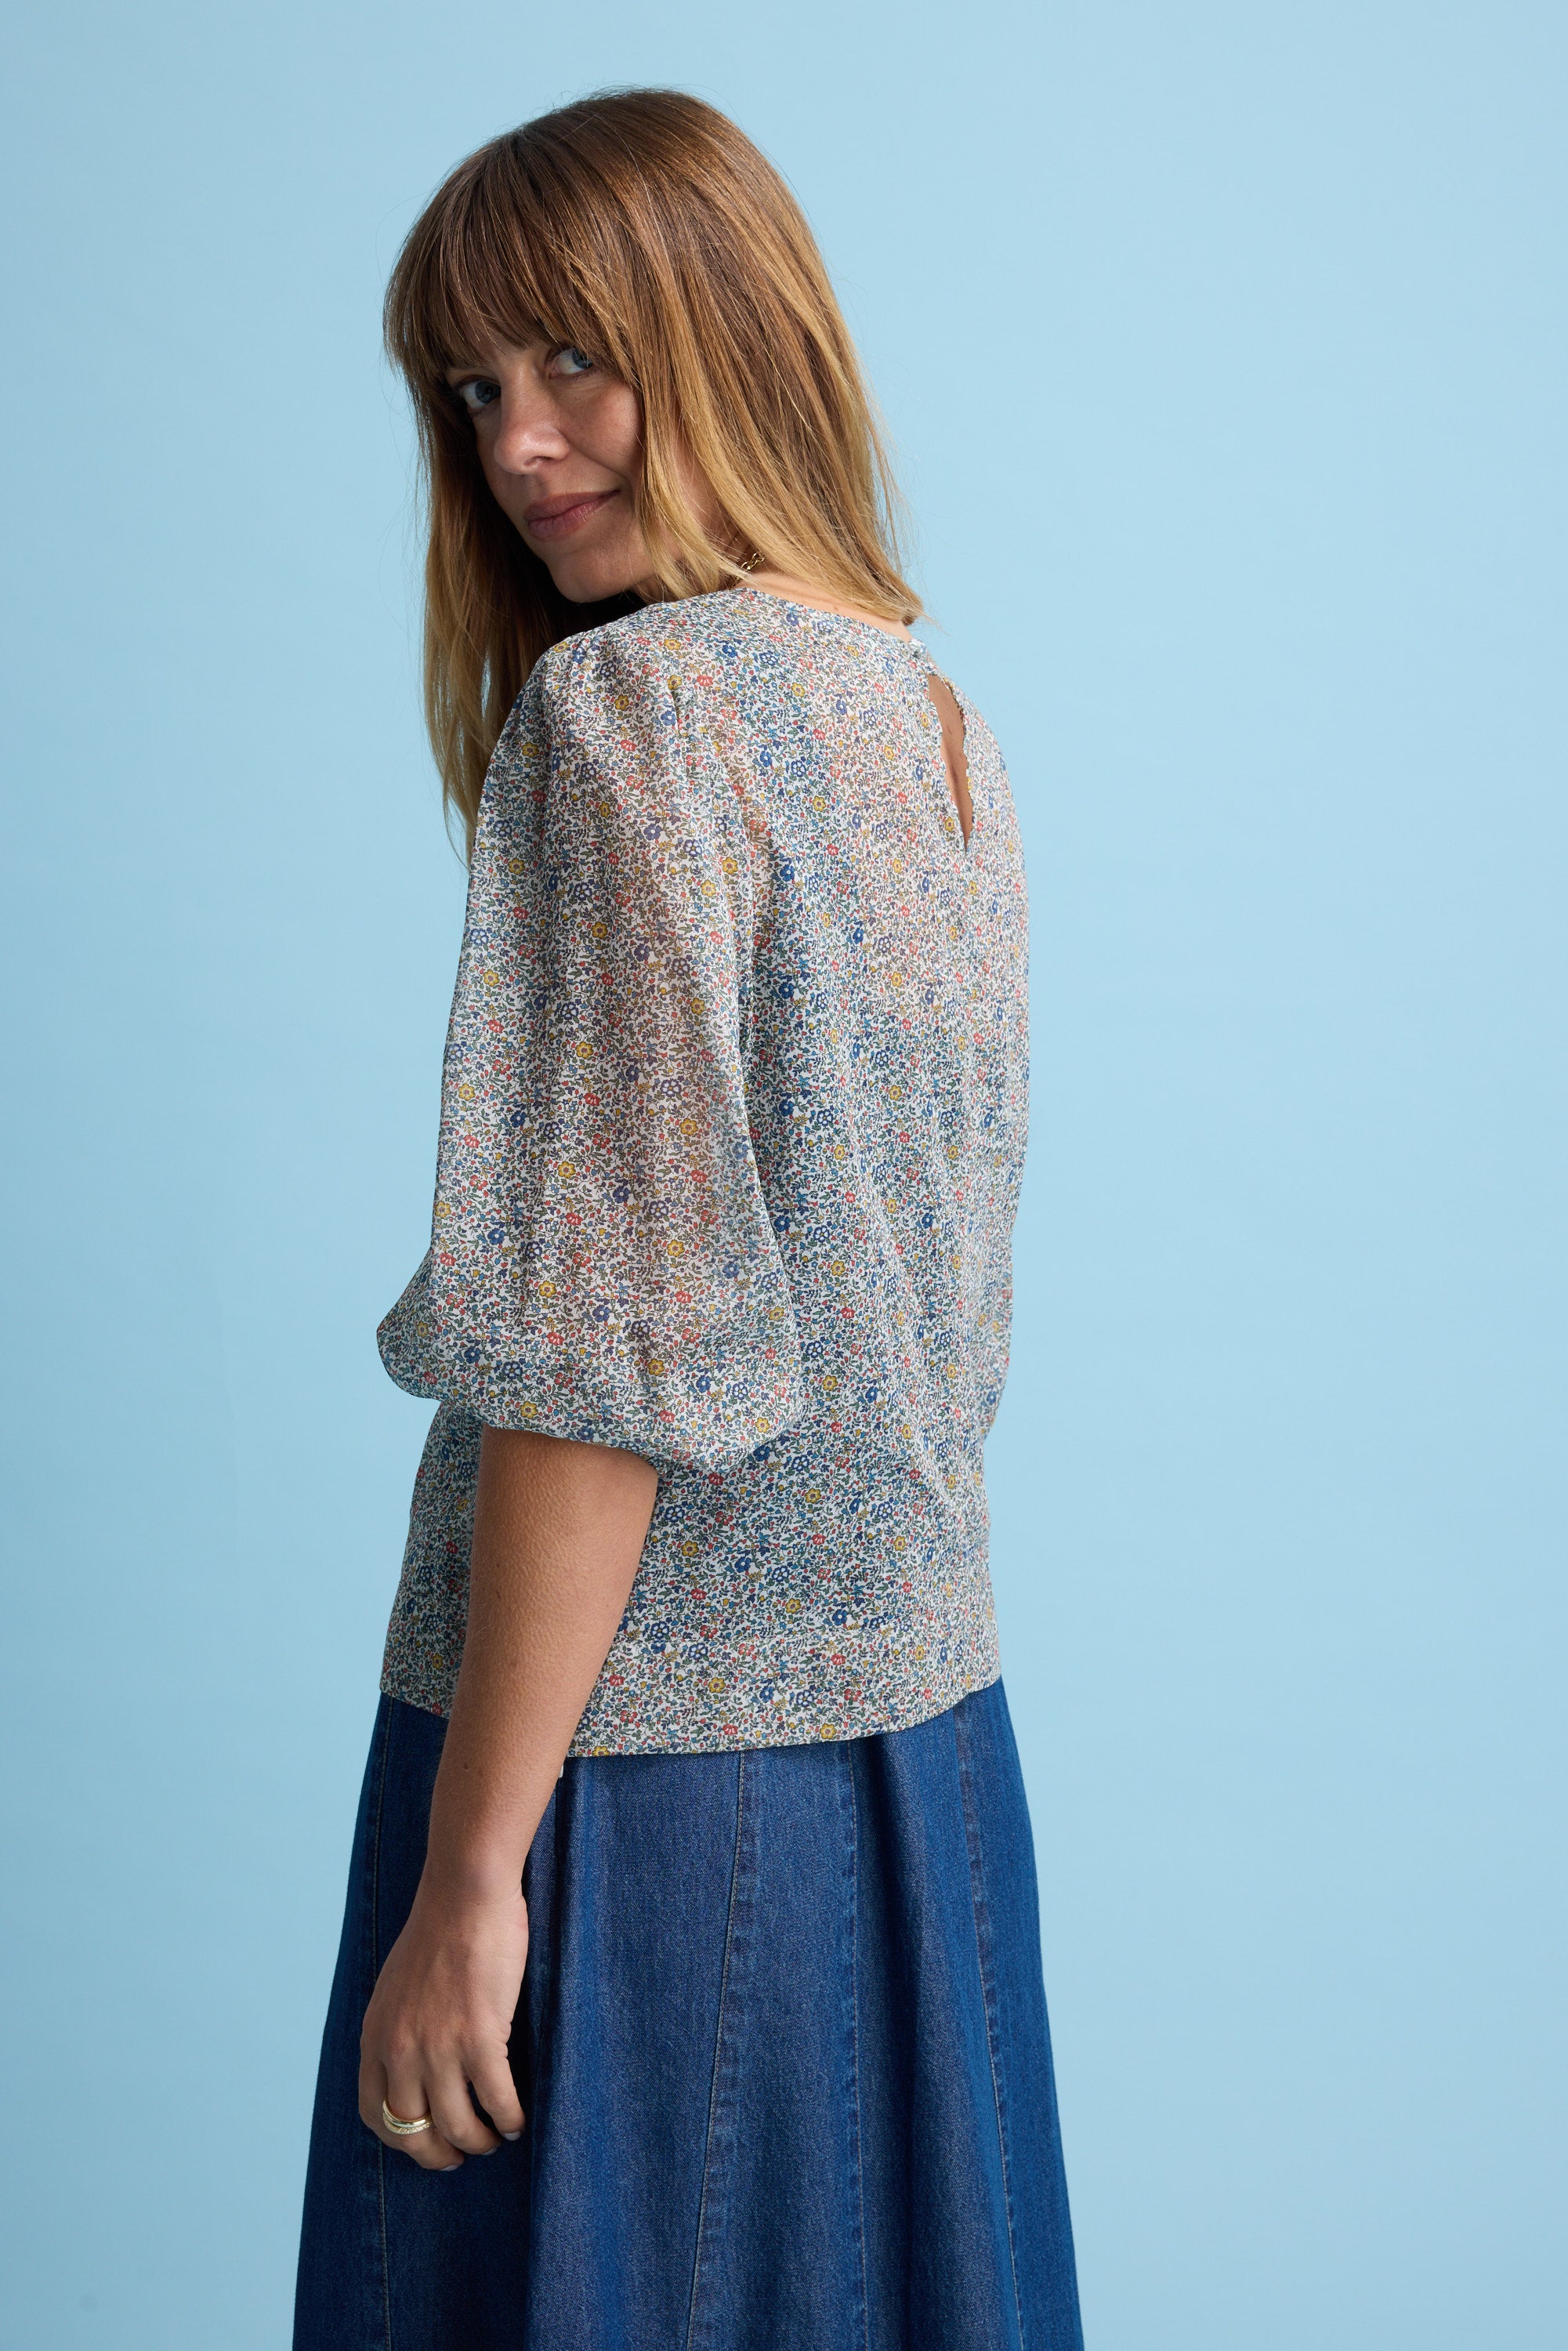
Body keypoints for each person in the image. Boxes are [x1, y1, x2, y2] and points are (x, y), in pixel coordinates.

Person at [293, 87, 1083, 2351]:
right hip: (914, 1762)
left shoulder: (632, 714)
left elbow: (601, 1366)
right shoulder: (926, 718)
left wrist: (468, 1876)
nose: (518, 444)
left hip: (622, 1794)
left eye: (570, 362)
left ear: (730, 338)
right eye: (469, 388)